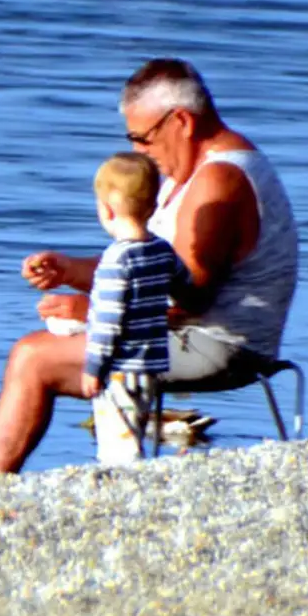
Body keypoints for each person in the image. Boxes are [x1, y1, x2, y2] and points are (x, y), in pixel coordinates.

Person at [0, 58, 298, 478]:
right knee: (37, 349)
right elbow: (145, 266)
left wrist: (93, 314)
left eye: (143, 138)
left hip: (219, 344)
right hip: (187, 333)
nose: (138, 152)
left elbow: (192, 298)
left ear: (181, 121)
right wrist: (69, 271)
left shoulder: (218, 182)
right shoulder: (193, 171)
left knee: (33, 357)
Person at [81, 152, 187, 464]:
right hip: (151, 364)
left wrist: (92, 368)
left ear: (106, 210)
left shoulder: (116, 259)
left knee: (118, 439)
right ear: (153, 207)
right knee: (137, 426)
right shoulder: (161, 251)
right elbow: (184, 283)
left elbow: (108, 323)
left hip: (120, 367)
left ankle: (123, 482)